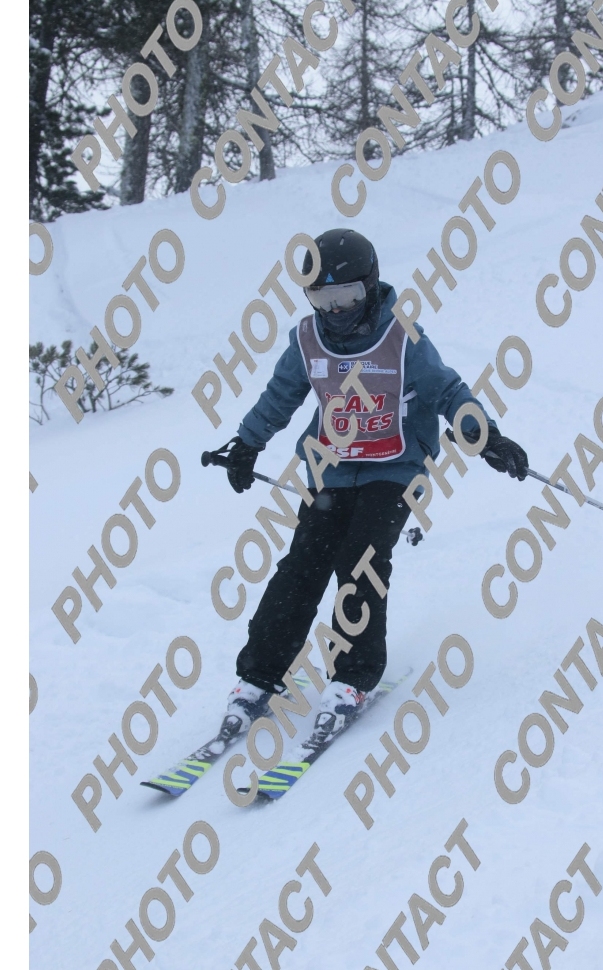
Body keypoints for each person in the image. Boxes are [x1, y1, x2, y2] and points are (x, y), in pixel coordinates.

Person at [215, 228, 529, 751]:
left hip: (395, 467)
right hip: (333, 469)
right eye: (322, 299)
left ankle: (352, 677)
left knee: (360, 558)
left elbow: (446, 389)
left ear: (370, 285)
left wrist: (484, 435)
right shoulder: (307, 340)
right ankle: (259, 675)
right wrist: (247, 444)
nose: (335, 310)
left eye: (347, 296)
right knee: (303, 563)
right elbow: (281, 394)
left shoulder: (400, 336)